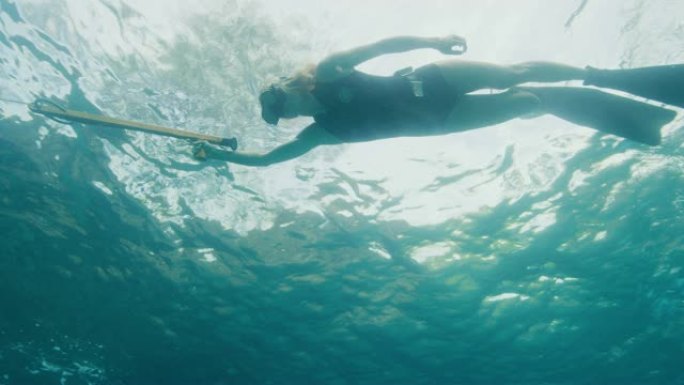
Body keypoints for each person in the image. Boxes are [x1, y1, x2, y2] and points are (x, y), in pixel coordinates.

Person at [193, 35, 681, 167]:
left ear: (289, 88)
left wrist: (433, 40)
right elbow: (268, 159)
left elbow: (380, 47)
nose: (282, 111)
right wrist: (221, 154)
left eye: (277, 101)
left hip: (429, 82)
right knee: (524, 99)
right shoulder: (321, 133)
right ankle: (552, 99)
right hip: (440, 119)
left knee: (516, 74)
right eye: (275, 114)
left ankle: (598, 75)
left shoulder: (325, 71)